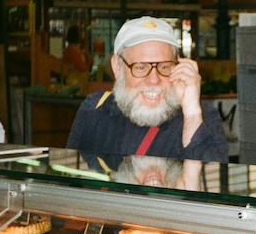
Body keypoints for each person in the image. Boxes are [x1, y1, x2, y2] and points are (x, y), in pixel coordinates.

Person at [67, 16, 227, 162]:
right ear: (117, 67)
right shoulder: (95, 110)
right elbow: (69, 179)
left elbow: (210, 187)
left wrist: (192, 115)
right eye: (141, 67)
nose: (154, 80)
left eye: (164, 67)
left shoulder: (201, 117)